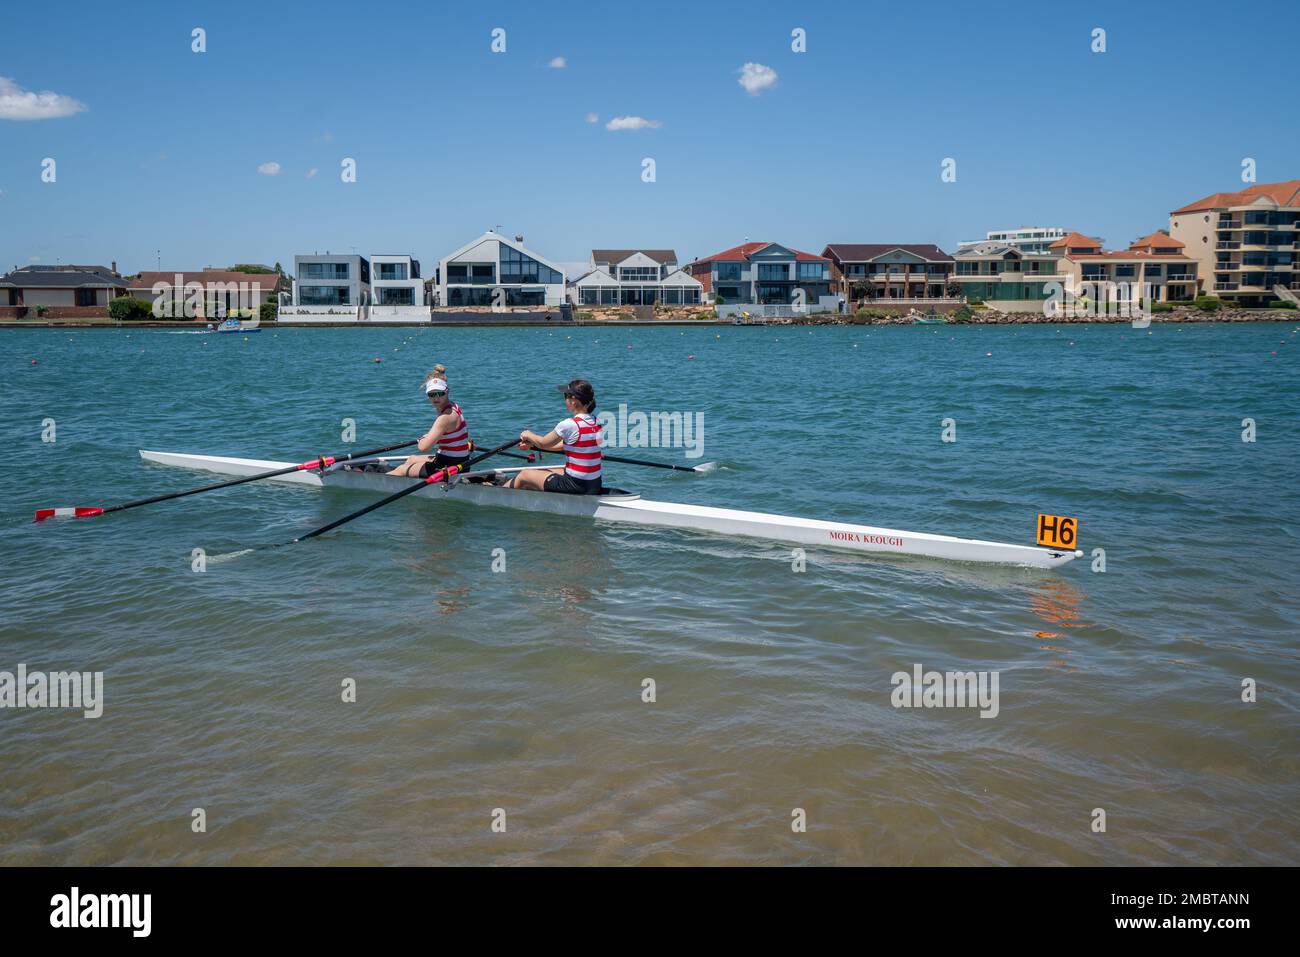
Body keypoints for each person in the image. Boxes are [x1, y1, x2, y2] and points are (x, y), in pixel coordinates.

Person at [505, 379, 603, 494]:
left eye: (566, 396)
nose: (565, 399)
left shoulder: (569, 424)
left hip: (576, 486)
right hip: (594, 484)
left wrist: (528, 434)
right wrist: (532, 445)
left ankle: (497, 494)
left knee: (524, 474)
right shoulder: (596, 421)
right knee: (547, 470)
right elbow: (563, 445)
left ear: (573, 400)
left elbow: (543, 442)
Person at [386, 365, 473, 477]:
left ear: (447, 392)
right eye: (432, 394)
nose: (436, 398)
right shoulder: (453, 406)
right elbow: (448, 433)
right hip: (458, 461)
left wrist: (422, 439)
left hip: (449, 468)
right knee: (412, 459)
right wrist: (432, 436)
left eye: (439, 394)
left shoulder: (444, 418)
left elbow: (424, 448)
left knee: (401, 470)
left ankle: (377, 483)